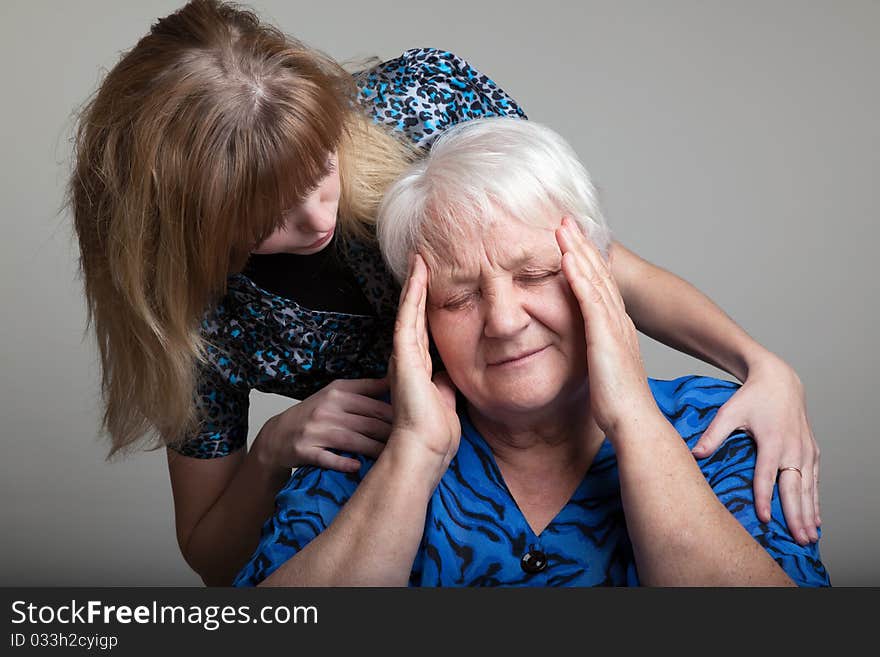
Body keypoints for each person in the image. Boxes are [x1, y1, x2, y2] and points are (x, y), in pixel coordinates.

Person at [70, 0, 820, 586]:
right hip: (403, 457)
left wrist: (760, 364)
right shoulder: (196, 319)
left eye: (317, 172)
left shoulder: (416, 105)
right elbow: (214, 558)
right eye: (265, 216)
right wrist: (272, 451)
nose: (315, 217)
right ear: (187, 227)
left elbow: (582, 256)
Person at [234, 118, 829, 587]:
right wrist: (413, 458)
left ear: (598, 275)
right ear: (417, 325)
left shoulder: (720, 429)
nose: (504, 321)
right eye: (458, 296)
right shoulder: (359, 452)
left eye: (538, 273)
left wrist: (634, 421)